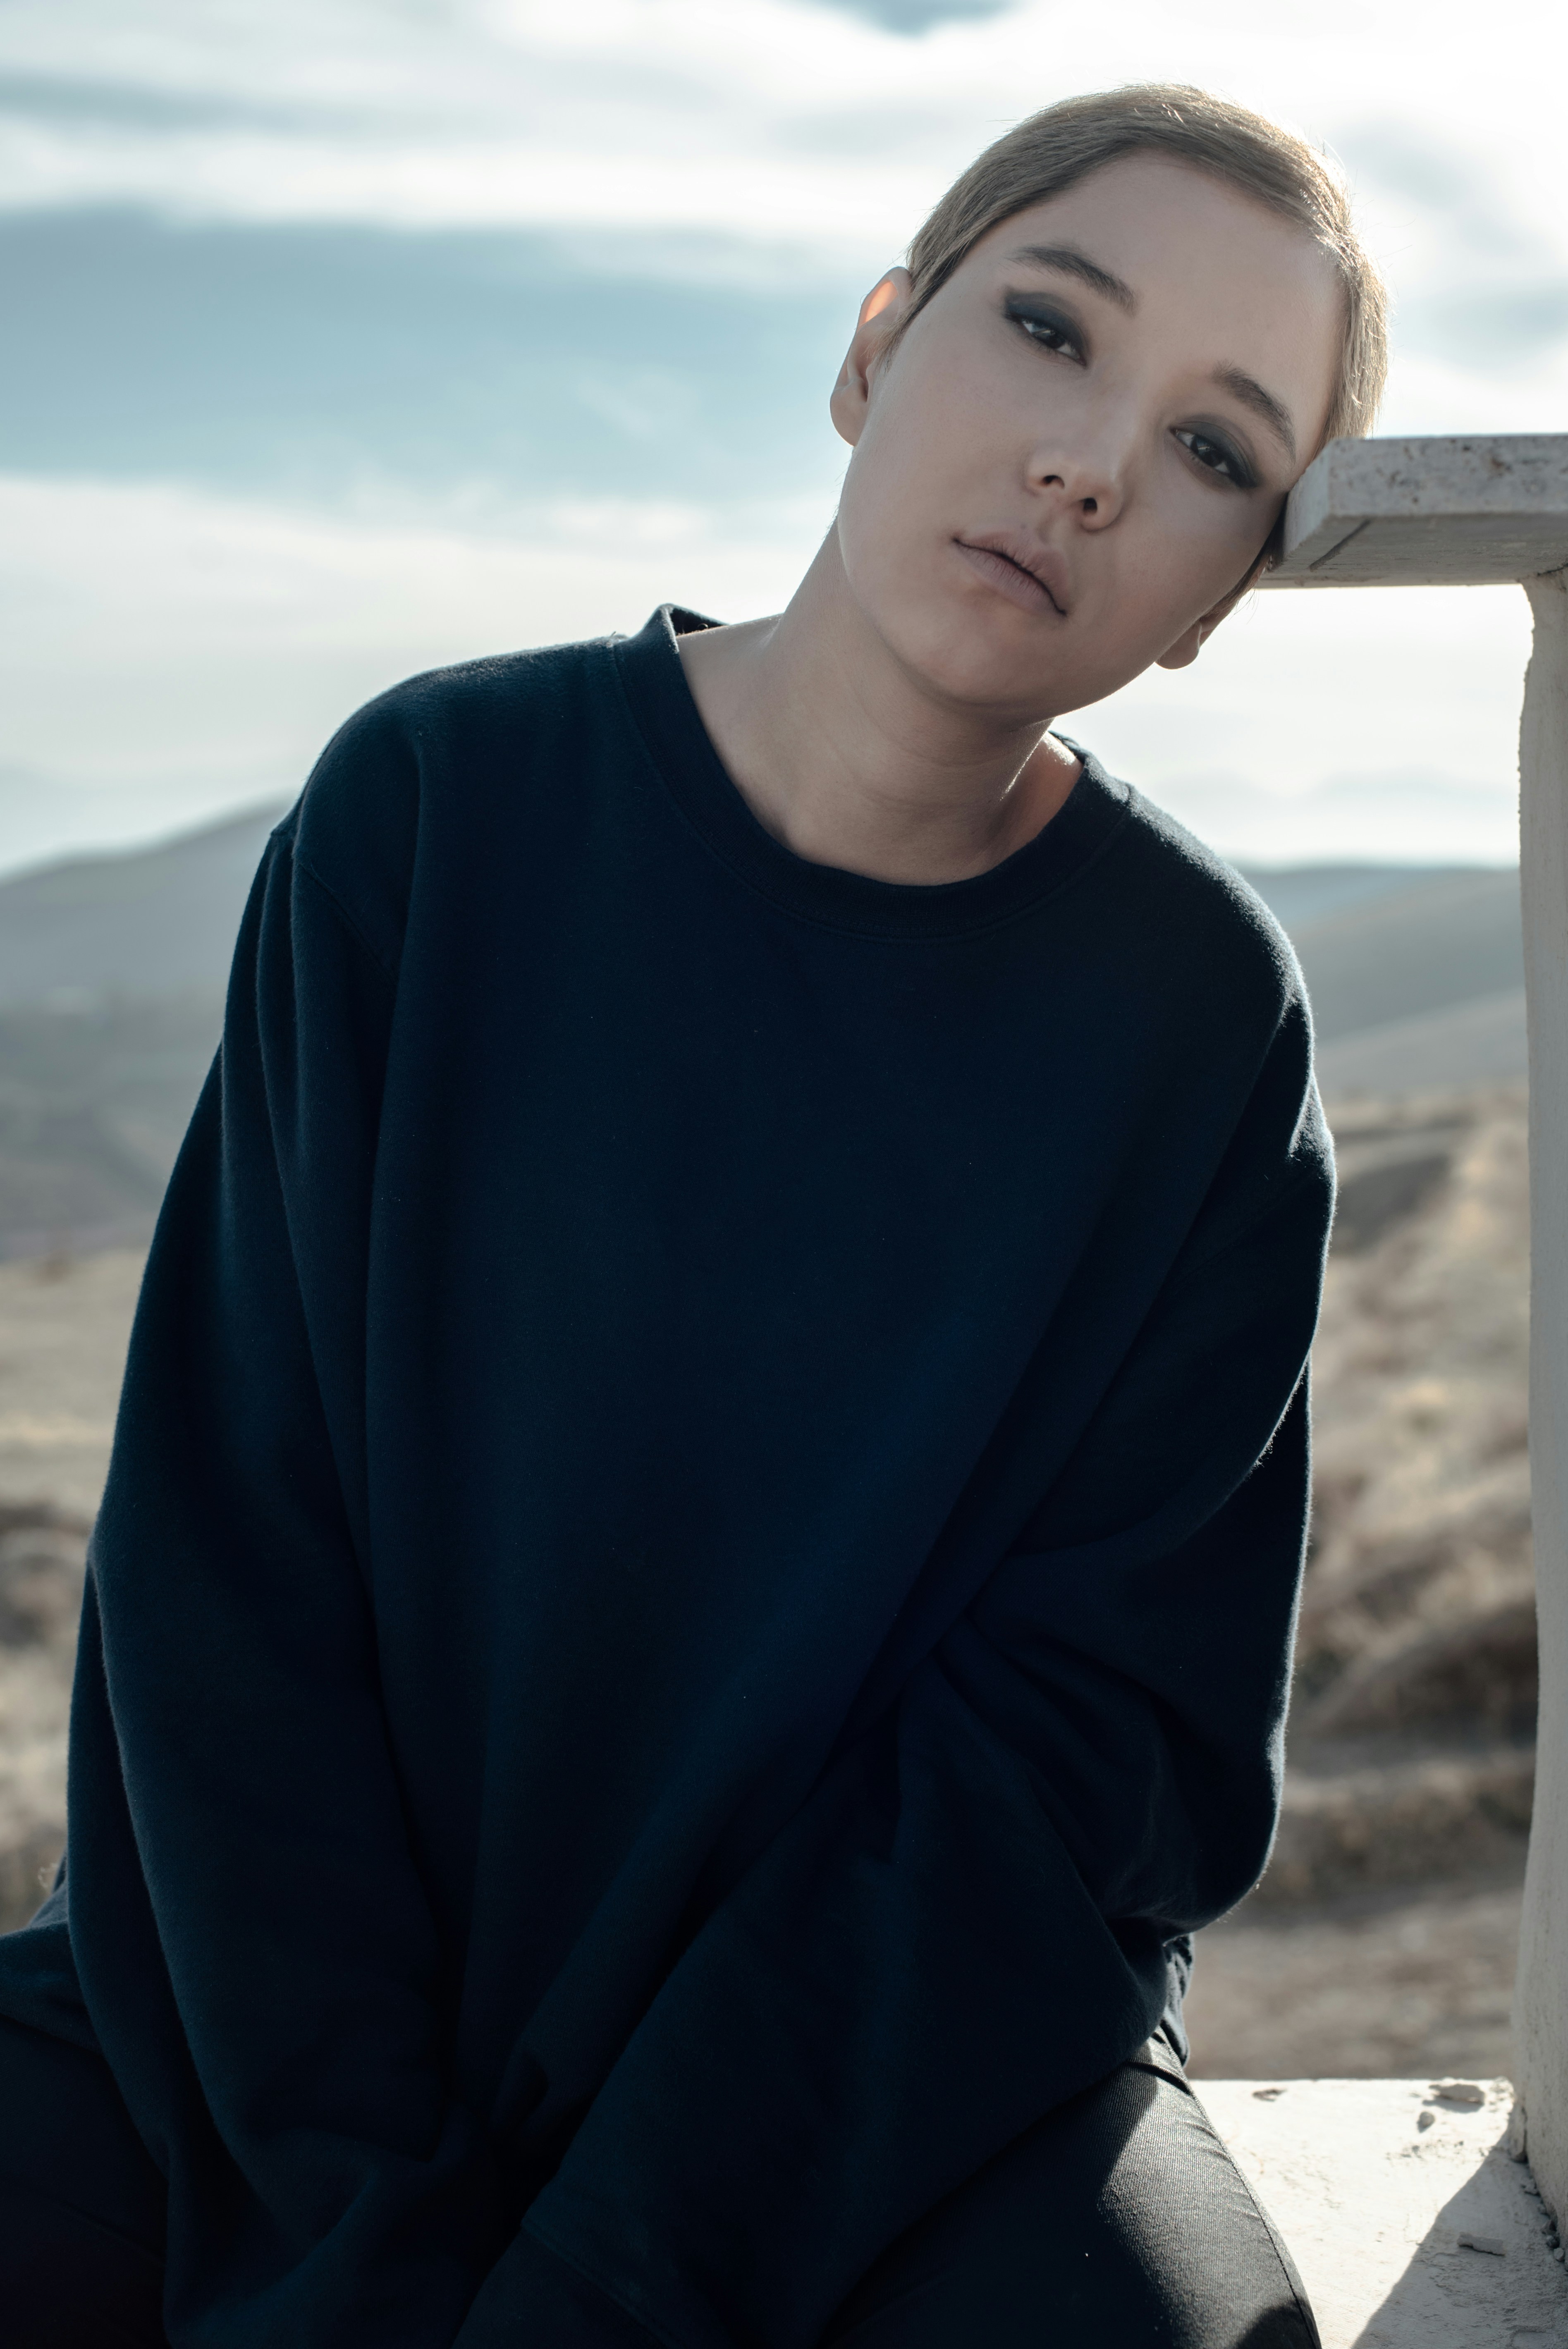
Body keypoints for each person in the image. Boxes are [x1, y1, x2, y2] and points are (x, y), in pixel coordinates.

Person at [0, 80, 1385, 2349]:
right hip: (285, 2033)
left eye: (1218, 449)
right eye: (1052, 329)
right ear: (870, 348)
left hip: (880, 2082)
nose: (1095, 462)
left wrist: (620, 2282)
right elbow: (228, 1601)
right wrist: (356, 2247)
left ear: (1223, 596)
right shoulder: (429, 820)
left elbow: (1082, 1765)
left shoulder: (1198, 1025)